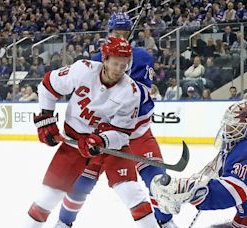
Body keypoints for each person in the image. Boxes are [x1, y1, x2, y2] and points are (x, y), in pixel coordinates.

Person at [57, 13, 176, 227]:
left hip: (137, 132)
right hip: (103, 133)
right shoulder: (95, 61)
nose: (120, 36)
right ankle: (63, 223)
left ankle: (165, 223)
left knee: (158, 182)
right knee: (81, 185)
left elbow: (140, 96)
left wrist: (119, 75)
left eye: (124, 33)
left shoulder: (142, 57)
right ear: (108, 34)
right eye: (116, 33)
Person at [24, 37, 158, 228]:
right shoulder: (82, 70)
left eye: (124, 65)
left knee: (131, 192)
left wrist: (101, 140)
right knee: (48, 197)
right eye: (115, 63)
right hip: (73, 144)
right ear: (104, 59)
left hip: (111, 149)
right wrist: (46, 118)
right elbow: (47, 86)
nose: (119, 69)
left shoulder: (131, 92)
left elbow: (121, 134)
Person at [151, 99, 247, 227]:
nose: (227, 130)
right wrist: (196, 183)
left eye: (233, 127)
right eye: (227, 125)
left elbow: (230, 193)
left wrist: (193, 195)